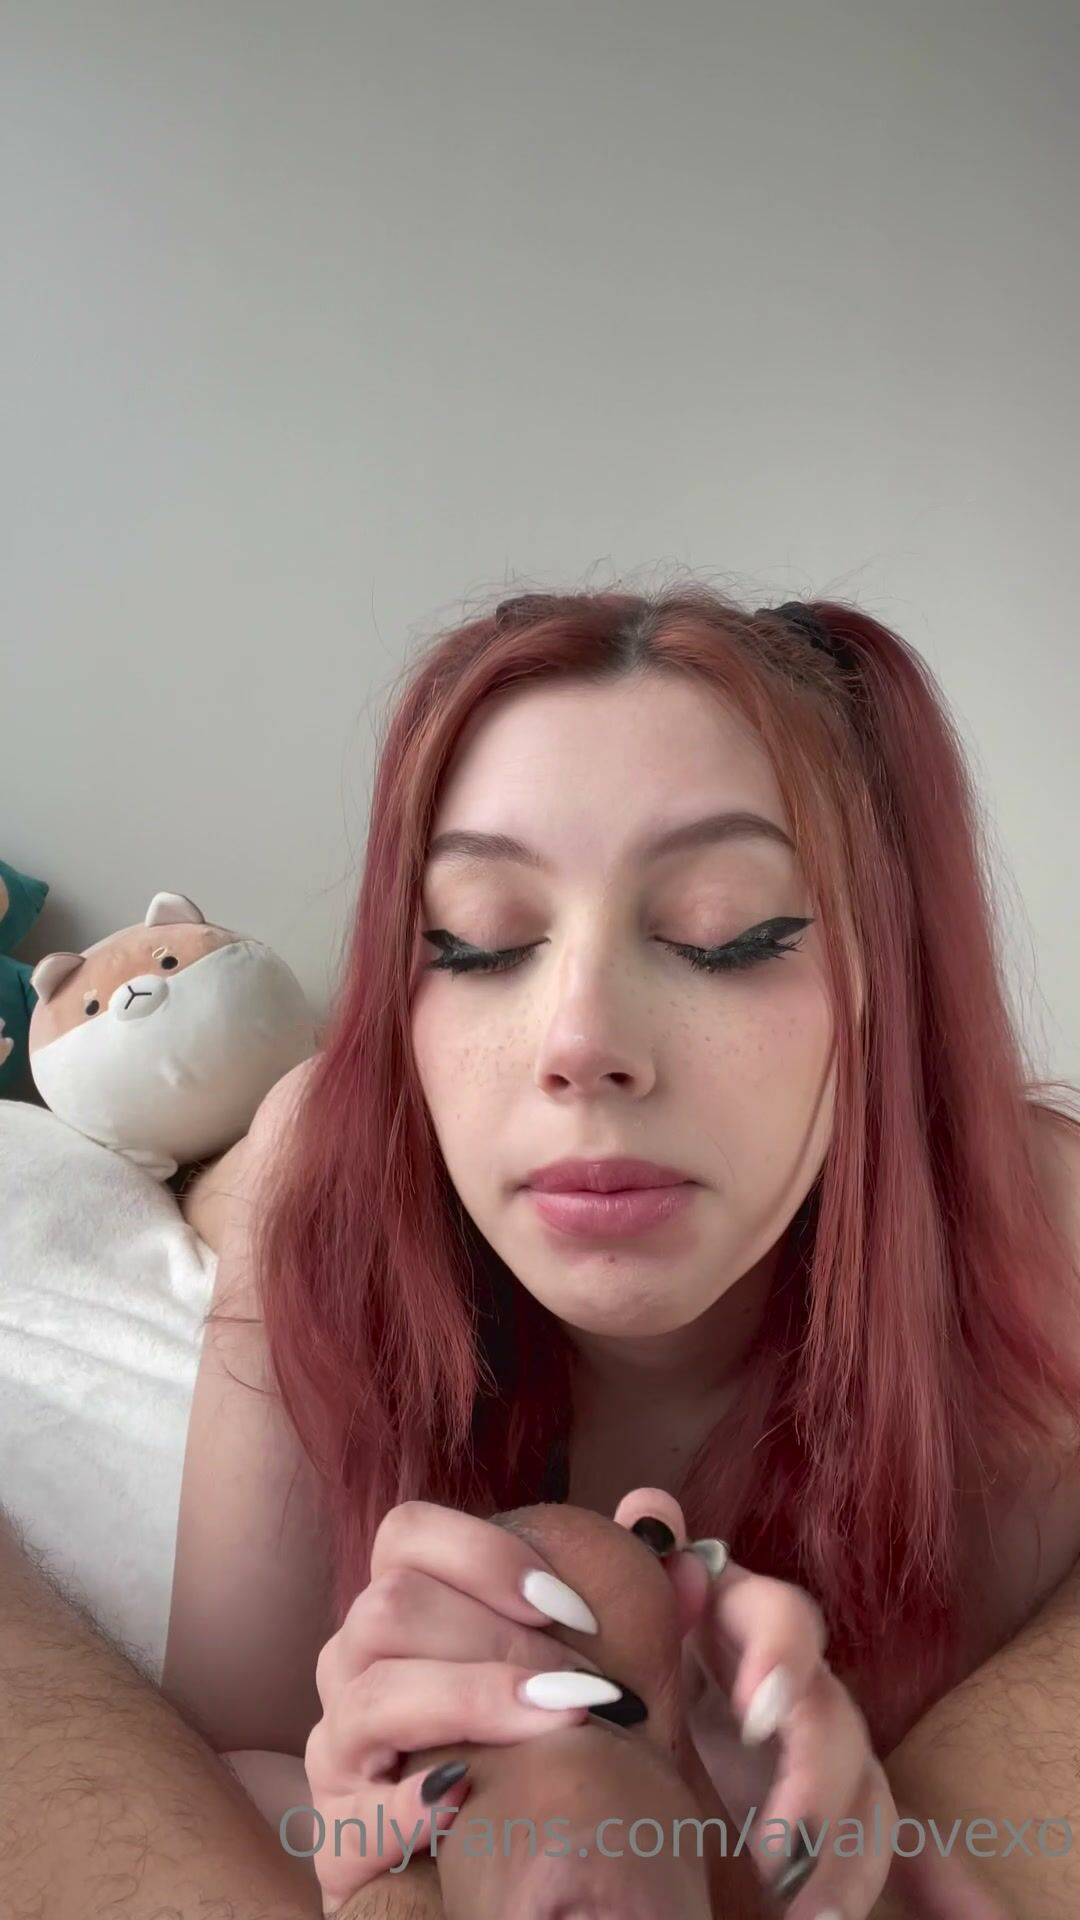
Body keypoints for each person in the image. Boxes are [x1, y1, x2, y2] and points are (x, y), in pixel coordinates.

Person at [160, 584, 1080, 1920]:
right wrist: (389, 1841)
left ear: (888, 987)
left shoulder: (1037, 1235)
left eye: (727, 934)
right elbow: (223, 1753)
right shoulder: (320, 1170)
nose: (580, 1042)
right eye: (476, 942)